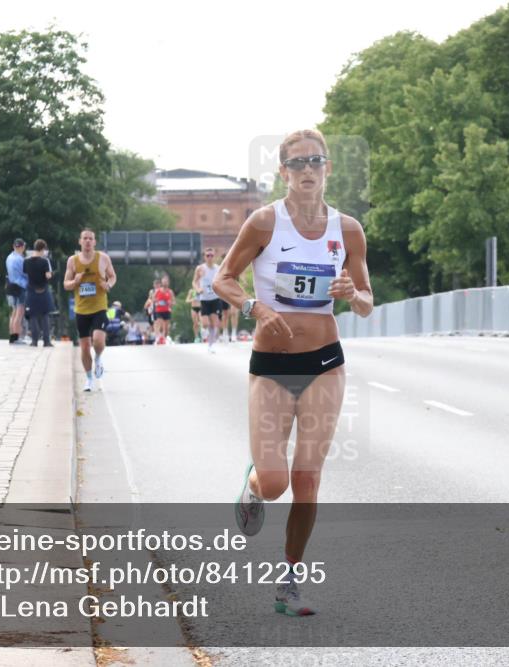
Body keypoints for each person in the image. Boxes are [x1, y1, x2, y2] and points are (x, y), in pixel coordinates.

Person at [214, 129, 373, 617]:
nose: (308, 170)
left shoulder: (348, 230)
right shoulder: (265, 222)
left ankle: (289, 581)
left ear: (328, 169)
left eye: (316, 161)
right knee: (276, 481)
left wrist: (352, 293)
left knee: (306, 479)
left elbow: (366, 302)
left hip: (324, 362)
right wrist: (256, 308)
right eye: (298, 163)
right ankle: (253, 487)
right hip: (272, 365)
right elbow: (223, 278)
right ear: (283, 172)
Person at [63, 228, 116, 392]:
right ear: (80, 241)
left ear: (94, 242)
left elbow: (113, 276)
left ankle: (98, 358)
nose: (87, 241)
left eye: (90, 238)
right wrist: (75, 282)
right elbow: (66, 284)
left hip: (99, 307)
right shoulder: (72, 261)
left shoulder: (103, 258)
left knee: (98, 341)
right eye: (84, 238)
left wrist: (108, 285)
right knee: (85, 347)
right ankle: (88, 379)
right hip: (81, 310)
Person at [23, 239, 55, 347]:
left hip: (31, 291)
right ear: (42, 249)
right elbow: (48, 276)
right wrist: (51, 273)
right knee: (45, 315)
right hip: (43, 290)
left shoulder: (26, 261)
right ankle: (46, 341)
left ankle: (34, 341)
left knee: (33, 315)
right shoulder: (45, 261)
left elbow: (25, 273)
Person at [193, 248, 223, 352]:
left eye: (211, 255)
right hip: (204, 299)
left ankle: (211, 345)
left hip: (215, 298)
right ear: (204, 257)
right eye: (207, 255)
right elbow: (194, 282)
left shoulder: (218, 268)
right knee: (205, 323)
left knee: (214, 323)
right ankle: (204, 331)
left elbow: (222, 281)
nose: (210, 257)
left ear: (214, 257)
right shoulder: (200, 268)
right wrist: (198, 289)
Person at [5, 238, 29, 344]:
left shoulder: (8, 257)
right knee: (19, 313)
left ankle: (12, 337)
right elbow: (25, 274)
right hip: (20, 286)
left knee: (13, 312)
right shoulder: (21, 259)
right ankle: (17, 337)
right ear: (22, 247)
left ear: (14, 246)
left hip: (11, 285)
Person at [153, 274, 176, 344]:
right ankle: (158, 338)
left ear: (168, 283)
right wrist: (157, 301)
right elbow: (153, 299)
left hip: (167, 311)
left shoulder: (170, 292)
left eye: (166, 281)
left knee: (166, 328)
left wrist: (170, 303)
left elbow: (174, 302)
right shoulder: (158, 291)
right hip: (159, 310)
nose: (165, 282)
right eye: (164, 281)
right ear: (162, 282)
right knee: (160, 324)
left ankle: (164, 338)